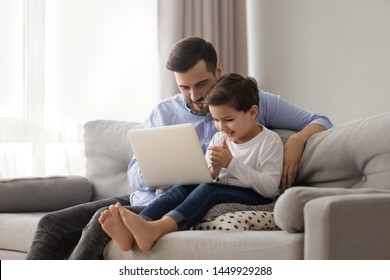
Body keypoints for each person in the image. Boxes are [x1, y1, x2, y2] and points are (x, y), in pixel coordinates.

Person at [25, 36, 332, 260]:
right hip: (152, 196)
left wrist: (297, 139)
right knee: (51, 223)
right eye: (184, 87)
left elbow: (321, 120)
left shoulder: (249, 100)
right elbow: (135, 174)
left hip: (196, 197)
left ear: (219, 71)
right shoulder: (162, 113)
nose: (195, 96)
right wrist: (165, 169)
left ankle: (144, 227)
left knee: (98, 222)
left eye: (202, 84)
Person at [99, 73, 284, 252]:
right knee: (181, 188)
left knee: (208, 190)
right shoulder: (219, 138)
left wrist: (232, 164)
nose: (221, 127)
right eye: (216, 120)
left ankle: (158, 228)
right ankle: (134, 227)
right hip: (222, 188)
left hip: (256, 196)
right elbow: (206, 176)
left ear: (252, 112)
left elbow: (268, 188)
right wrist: (213, 170)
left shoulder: (269, 141)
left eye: (228, 119)